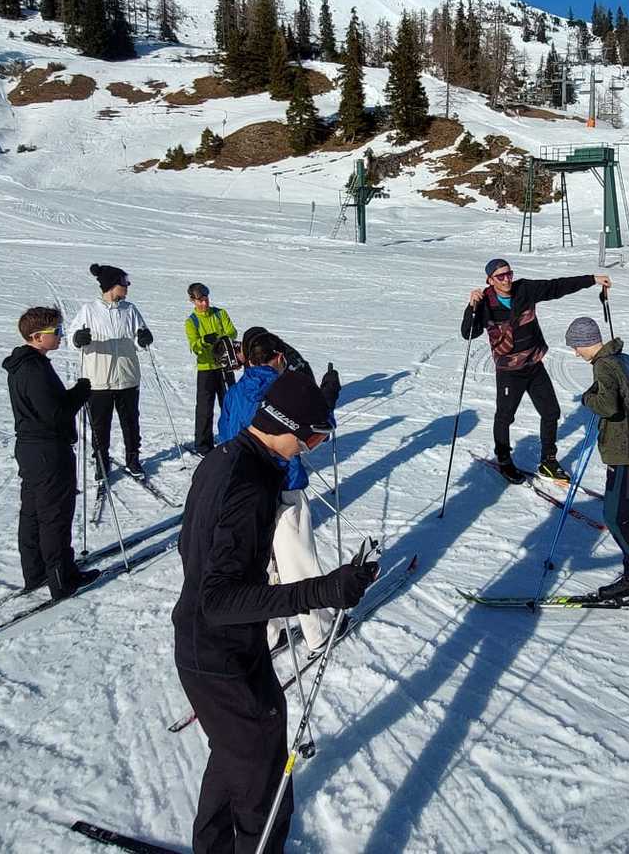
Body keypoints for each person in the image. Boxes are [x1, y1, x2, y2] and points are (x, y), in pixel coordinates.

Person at [173, 371, 378, 854]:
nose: (310, 450)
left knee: (235, 753)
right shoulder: (248, 484)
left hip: (215, 645)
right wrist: (324, 590)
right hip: (220, 655)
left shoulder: (227, 456)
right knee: (262, 784)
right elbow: (219, 599)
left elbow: (191, 548)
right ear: (288, 427)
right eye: (312, 439)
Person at [218, 331, 343, 651]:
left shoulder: (235, 392)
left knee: (262, 562)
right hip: (283, 484)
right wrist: (328, 396)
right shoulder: (281, 388)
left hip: (245, 490)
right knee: (296, 559)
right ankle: (319, 631)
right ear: (277, 357)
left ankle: (267, 632)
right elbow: (317, 430)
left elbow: (225, 434)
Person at [460, 258, 608, 484]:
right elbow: (468, 333)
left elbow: (556, 287)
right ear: (490, 280)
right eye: (500, 276)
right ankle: (504, 460)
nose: (507, 280)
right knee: (505, 417)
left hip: (534, 364)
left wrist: (593, 279)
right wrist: (471, 307)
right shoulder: (485, 303)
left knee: (551, 412)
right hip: (509, 370)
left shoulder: (524, 290)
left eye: (509, 274)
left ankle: (548, 460)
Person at [1, 307, 101, 599]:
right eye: (55, 332)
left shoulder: (27, 364)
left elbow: (48, 406)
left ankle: (36, 573)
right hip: (47, 450)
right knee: (54, 515)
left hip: (32, 448)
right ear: (36, 337)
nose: (60, 336)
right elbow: (55, 414)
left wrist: (74, 393)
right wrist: (80, 392)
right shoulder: (33, 369)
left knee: (34, 512)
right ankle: (62, 579)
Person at [564, 316, 629, 606]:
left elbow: (607, 406)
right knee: (623, 514)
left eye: (576, 346)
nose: (575, 353)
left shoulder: (604, 365)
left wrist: (588, 398)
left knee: (614, 517)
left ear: (586, 342)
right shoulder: (618, 357)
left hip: (624, 449)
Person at [69, 263, 154, 481]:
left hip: (127, 378)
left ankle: (133, 460)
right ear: (110, 285)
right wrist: (77, 338)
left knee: (131, 423)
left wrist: (144, 339)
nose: (127, 286)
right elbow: (71, 337)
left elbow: (139, 337)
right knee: (100, 427)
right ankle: (101, 463)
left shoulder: (130, 310)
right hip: (99, 380)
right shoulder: (89, 310)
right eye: (123, 282)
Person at [184, 283, 241, 453]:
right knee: (205, 408)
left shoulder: (220, 313)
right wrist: (204, 341)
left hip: (224, 366)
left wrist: (221, 340)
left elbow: (232, 332)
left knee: (229, 403)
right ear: (193, 301)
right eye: (200, 301)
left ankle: (231, 438)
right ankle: (203, 444)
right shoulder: (192, 321)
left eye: (206, 299)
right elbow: (194, 346)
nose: (204, 303)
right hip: (206, 368)